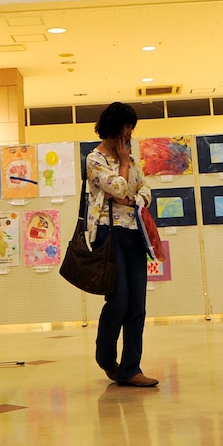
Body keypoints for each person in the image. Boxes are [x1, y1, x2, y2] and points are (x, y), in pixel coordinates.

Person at [85, 102, 158, 388]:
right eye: (127, 127)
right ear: (113, 127)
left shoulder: (132, 158)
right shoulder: (95, 159)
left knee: (138, 304)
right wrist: (124, 166)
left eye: (132, 128)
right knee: (119, 300)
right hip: (108, 234)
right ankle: (105, 358)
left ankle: (131, 369)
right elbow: (116, 188)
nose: (129, 133)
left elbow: (144, 190)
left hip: (134, 234)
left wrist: (132, 198)